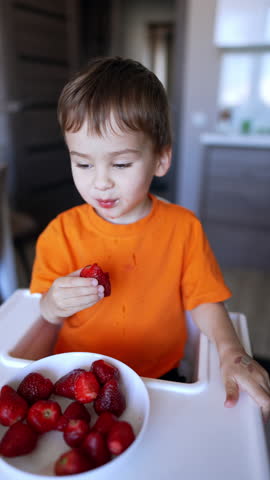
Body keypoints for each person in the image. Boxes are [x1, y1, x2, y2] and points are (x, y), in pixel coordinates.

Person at [30, 56, 270, 421]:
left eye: (121, 164)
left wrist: (230, 352)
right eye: (83, 163)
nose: (100, 182)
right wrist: (51, 305)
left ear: (160, 159)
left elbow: (204, 300)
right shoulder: (60, 233)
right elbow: (40, 316)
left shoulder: (183, 228)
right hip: (79, 379)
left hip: (160, 378)